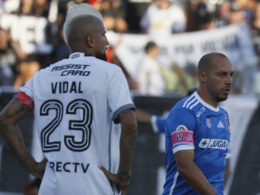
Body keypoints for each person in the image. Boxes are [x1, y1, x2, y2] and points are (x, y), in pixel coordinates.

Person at [0, 3, 137, 195]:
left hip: (51, 187)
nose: (107, 42)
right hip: (95, 187)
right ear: (90, 40)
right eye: (103, 35)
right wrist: (124, 174)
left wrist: (32, 166)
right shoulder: (110, 72)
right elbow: (130, 123)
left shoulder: (42, 76)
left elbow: (5, 119)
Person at [162, 52, 233, 195]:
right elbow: (185, 166)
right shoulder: (185, 111)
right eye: (221, 74)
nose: (229, 80)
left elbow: (224, 163)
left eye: (231, 74)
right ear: (203, 76)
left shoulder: (223, 114)